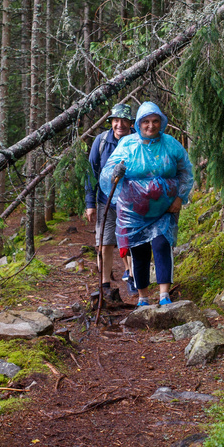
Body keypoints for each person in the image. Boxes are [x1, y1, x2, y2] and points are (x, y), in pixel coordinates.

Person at [101, 101, 194, 307]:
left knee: (162, 245)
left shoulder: (170, 144)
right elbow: (107, 171)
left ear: (161, 122)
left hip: (164, 209)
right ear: (139, 124)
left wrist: (180, 197)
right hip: (135, 212)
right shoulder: (128, 144)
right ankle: (143, 297)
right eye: (146, 122)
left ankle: (164, 294)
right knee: (139, 250)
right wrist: (115, 173)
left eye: (155, 121)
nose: (150, 126)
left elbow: (186, 171)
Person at [85, 104, 136, 303]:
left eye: (124, 120)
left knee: (132, 241)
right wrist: (90, 203)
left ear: (130, 123)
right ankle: (105, 284)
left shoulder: (137, 141)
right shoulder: (101, 141)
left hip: (132, 202)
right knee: (105, 243)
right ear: (111, 122)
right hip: (105, 202)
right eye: (116, 120)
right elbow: (91, 174)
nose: (120, 124)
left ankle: (132, 277)